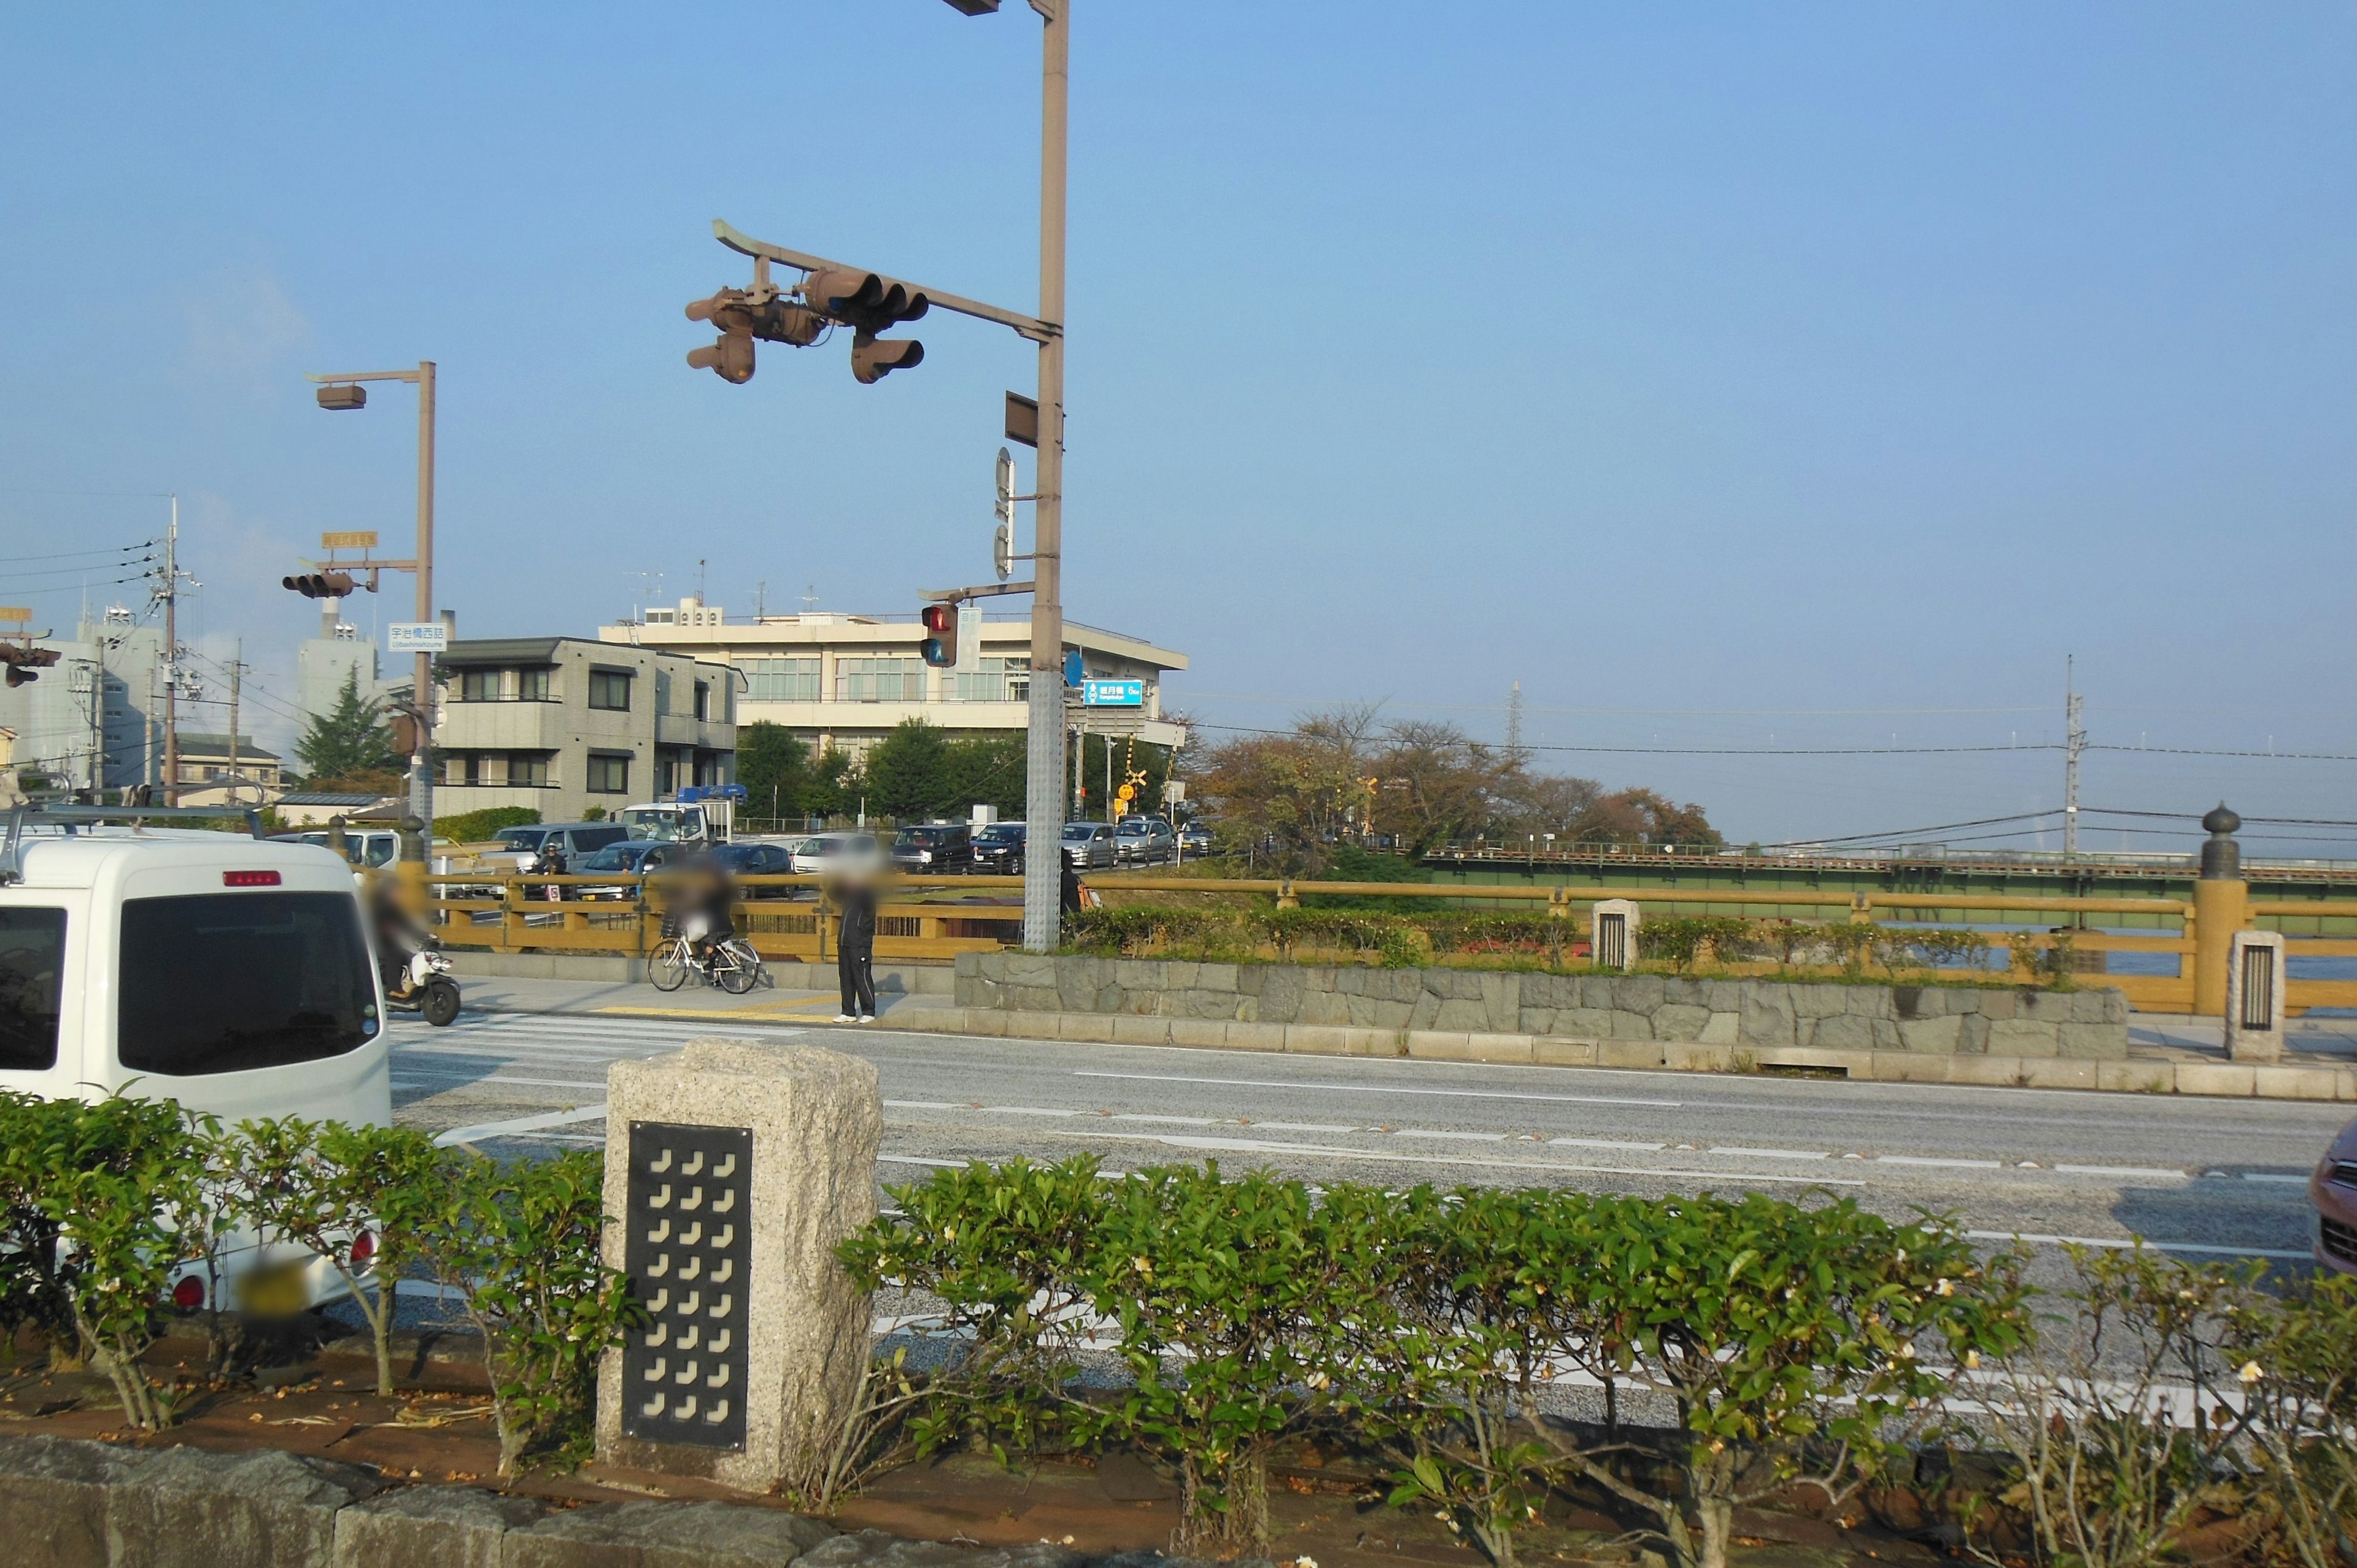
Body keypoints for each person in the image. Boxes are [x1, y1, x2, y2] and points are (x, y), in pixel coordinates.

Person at [664, 843, 737, 967]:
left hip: (716, 926)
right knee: (701, 935)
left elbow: (698, 899)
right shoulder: (721, 887)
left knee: (701, 938)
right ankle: (715, 968)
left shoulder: (713, 891)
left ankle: (711, 964)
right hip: (724, 924)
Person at [834, 869, 878, 1023]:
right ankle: (848, 1011)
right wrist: (841, 882)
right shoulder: (848, 894)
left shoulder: (866, 894)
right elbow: (833, 894)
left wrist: (859, 884)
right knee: (846, 978)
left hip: (860, 942)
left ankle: (869, 1011)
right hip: (845, 941)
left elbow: (867, 900)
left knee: (862, 976)